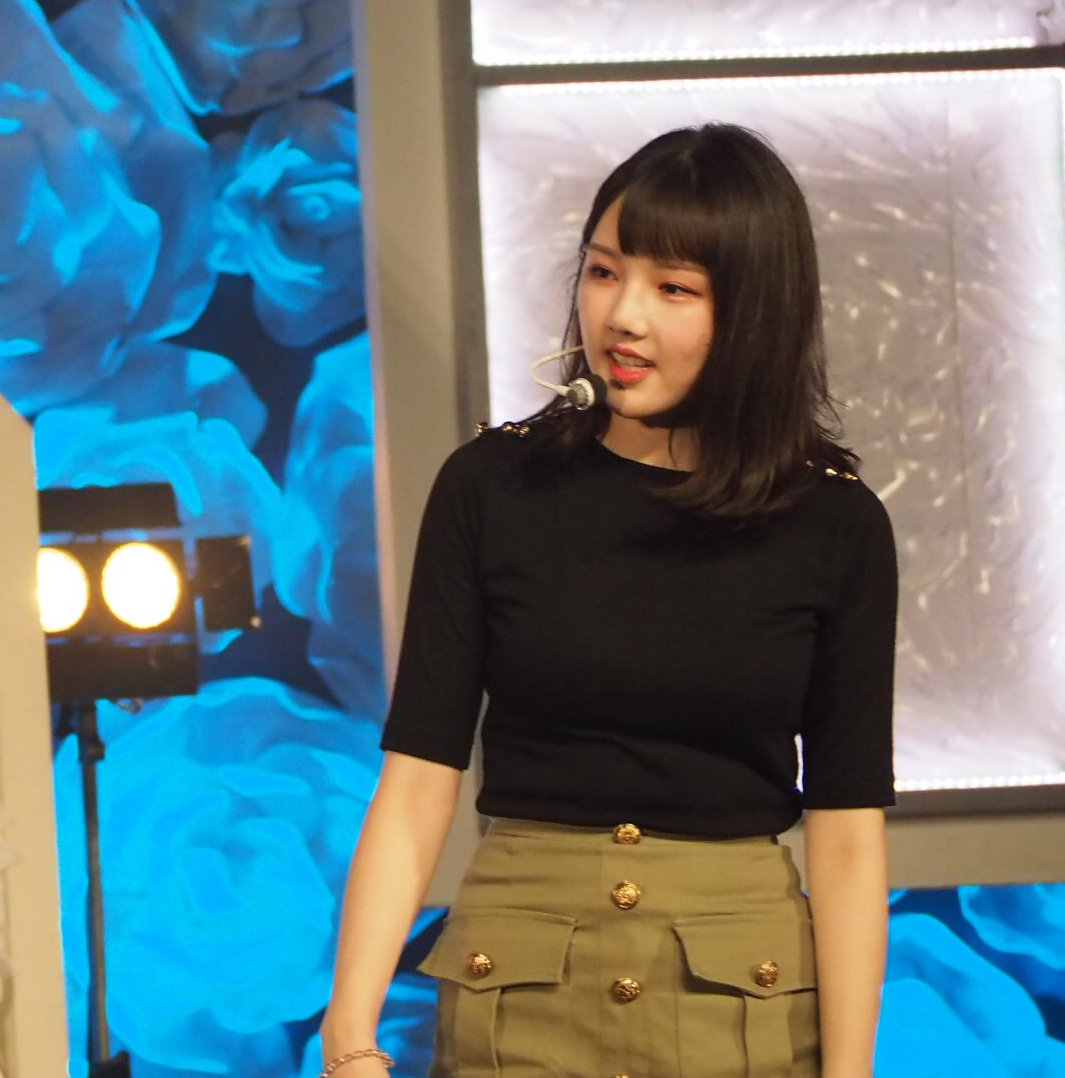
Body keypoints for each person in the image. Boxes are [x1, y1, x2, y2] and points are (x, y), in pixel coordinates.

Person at [321, 125, 897, 1078]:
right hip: (518, 988)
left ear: (754, 309)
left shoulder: (835, 524)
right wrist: (350, 1040)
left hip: (741, 1001)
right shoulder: (490, 486)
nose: (622, 316)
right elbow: (418, 782)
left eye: (674, 288)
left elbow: (845, 834)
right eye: (602, 272)